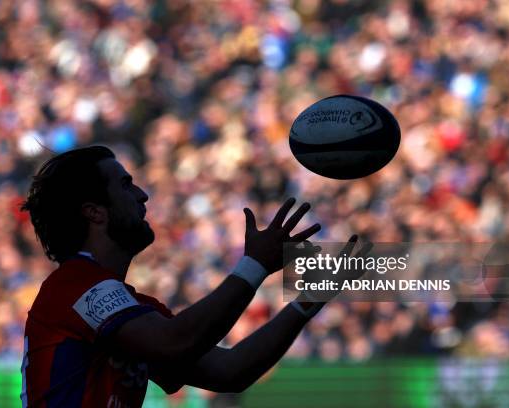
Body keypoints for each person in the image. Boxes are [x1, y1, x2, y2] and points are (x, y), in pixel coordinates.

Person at [19, 145, 360, 408]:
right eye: (126, 185)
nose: (142, 195)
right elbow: (174, 343)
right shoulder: (71, 287)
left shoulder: (134, 310)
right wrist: (254, 265)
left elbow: (231, 370)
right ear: (94, 211)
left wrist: (307, 301)